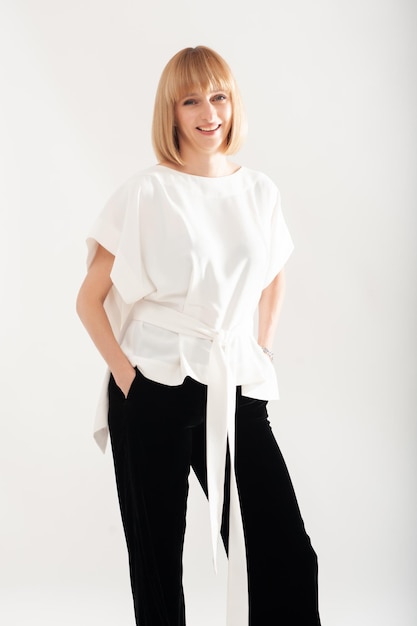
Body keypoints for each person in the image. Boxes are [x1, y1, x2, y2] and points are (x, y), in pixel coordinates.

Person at [76, 45, 321, 626]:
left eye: (218, 96)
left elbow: (274, 277)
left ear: (231, 104)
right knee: (158, 563)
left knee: (286, 553)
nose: (208, 112)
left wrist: (259, 349)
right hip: (154, 384)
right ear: (173, 112)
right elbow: (89, 300)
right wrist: (127, 378)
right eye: (191, 100)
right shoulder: (146, 192)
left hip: (232, 379)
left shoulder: (259, 190)